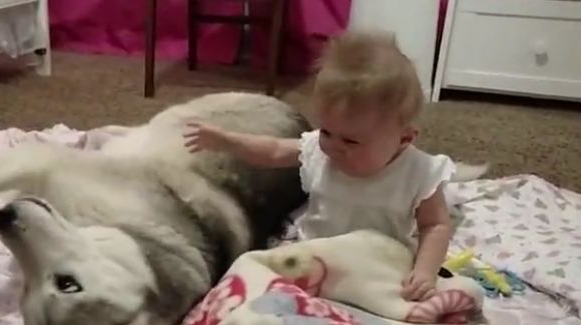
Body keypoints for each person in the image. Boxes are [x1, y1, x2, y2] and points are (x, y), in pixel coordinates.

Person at [184, 30, 456, 301]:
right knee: (254, 284)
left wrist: (425, 271)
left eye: (351, 141)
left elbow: (435, 226)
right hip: (316, 255)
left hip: (380, 264)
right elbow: (274, 150)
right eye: (326, 131)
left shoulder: (419, 173)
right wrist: (226, 141)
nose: (334, 146)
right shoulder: (319, 150)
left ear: (404, 139)